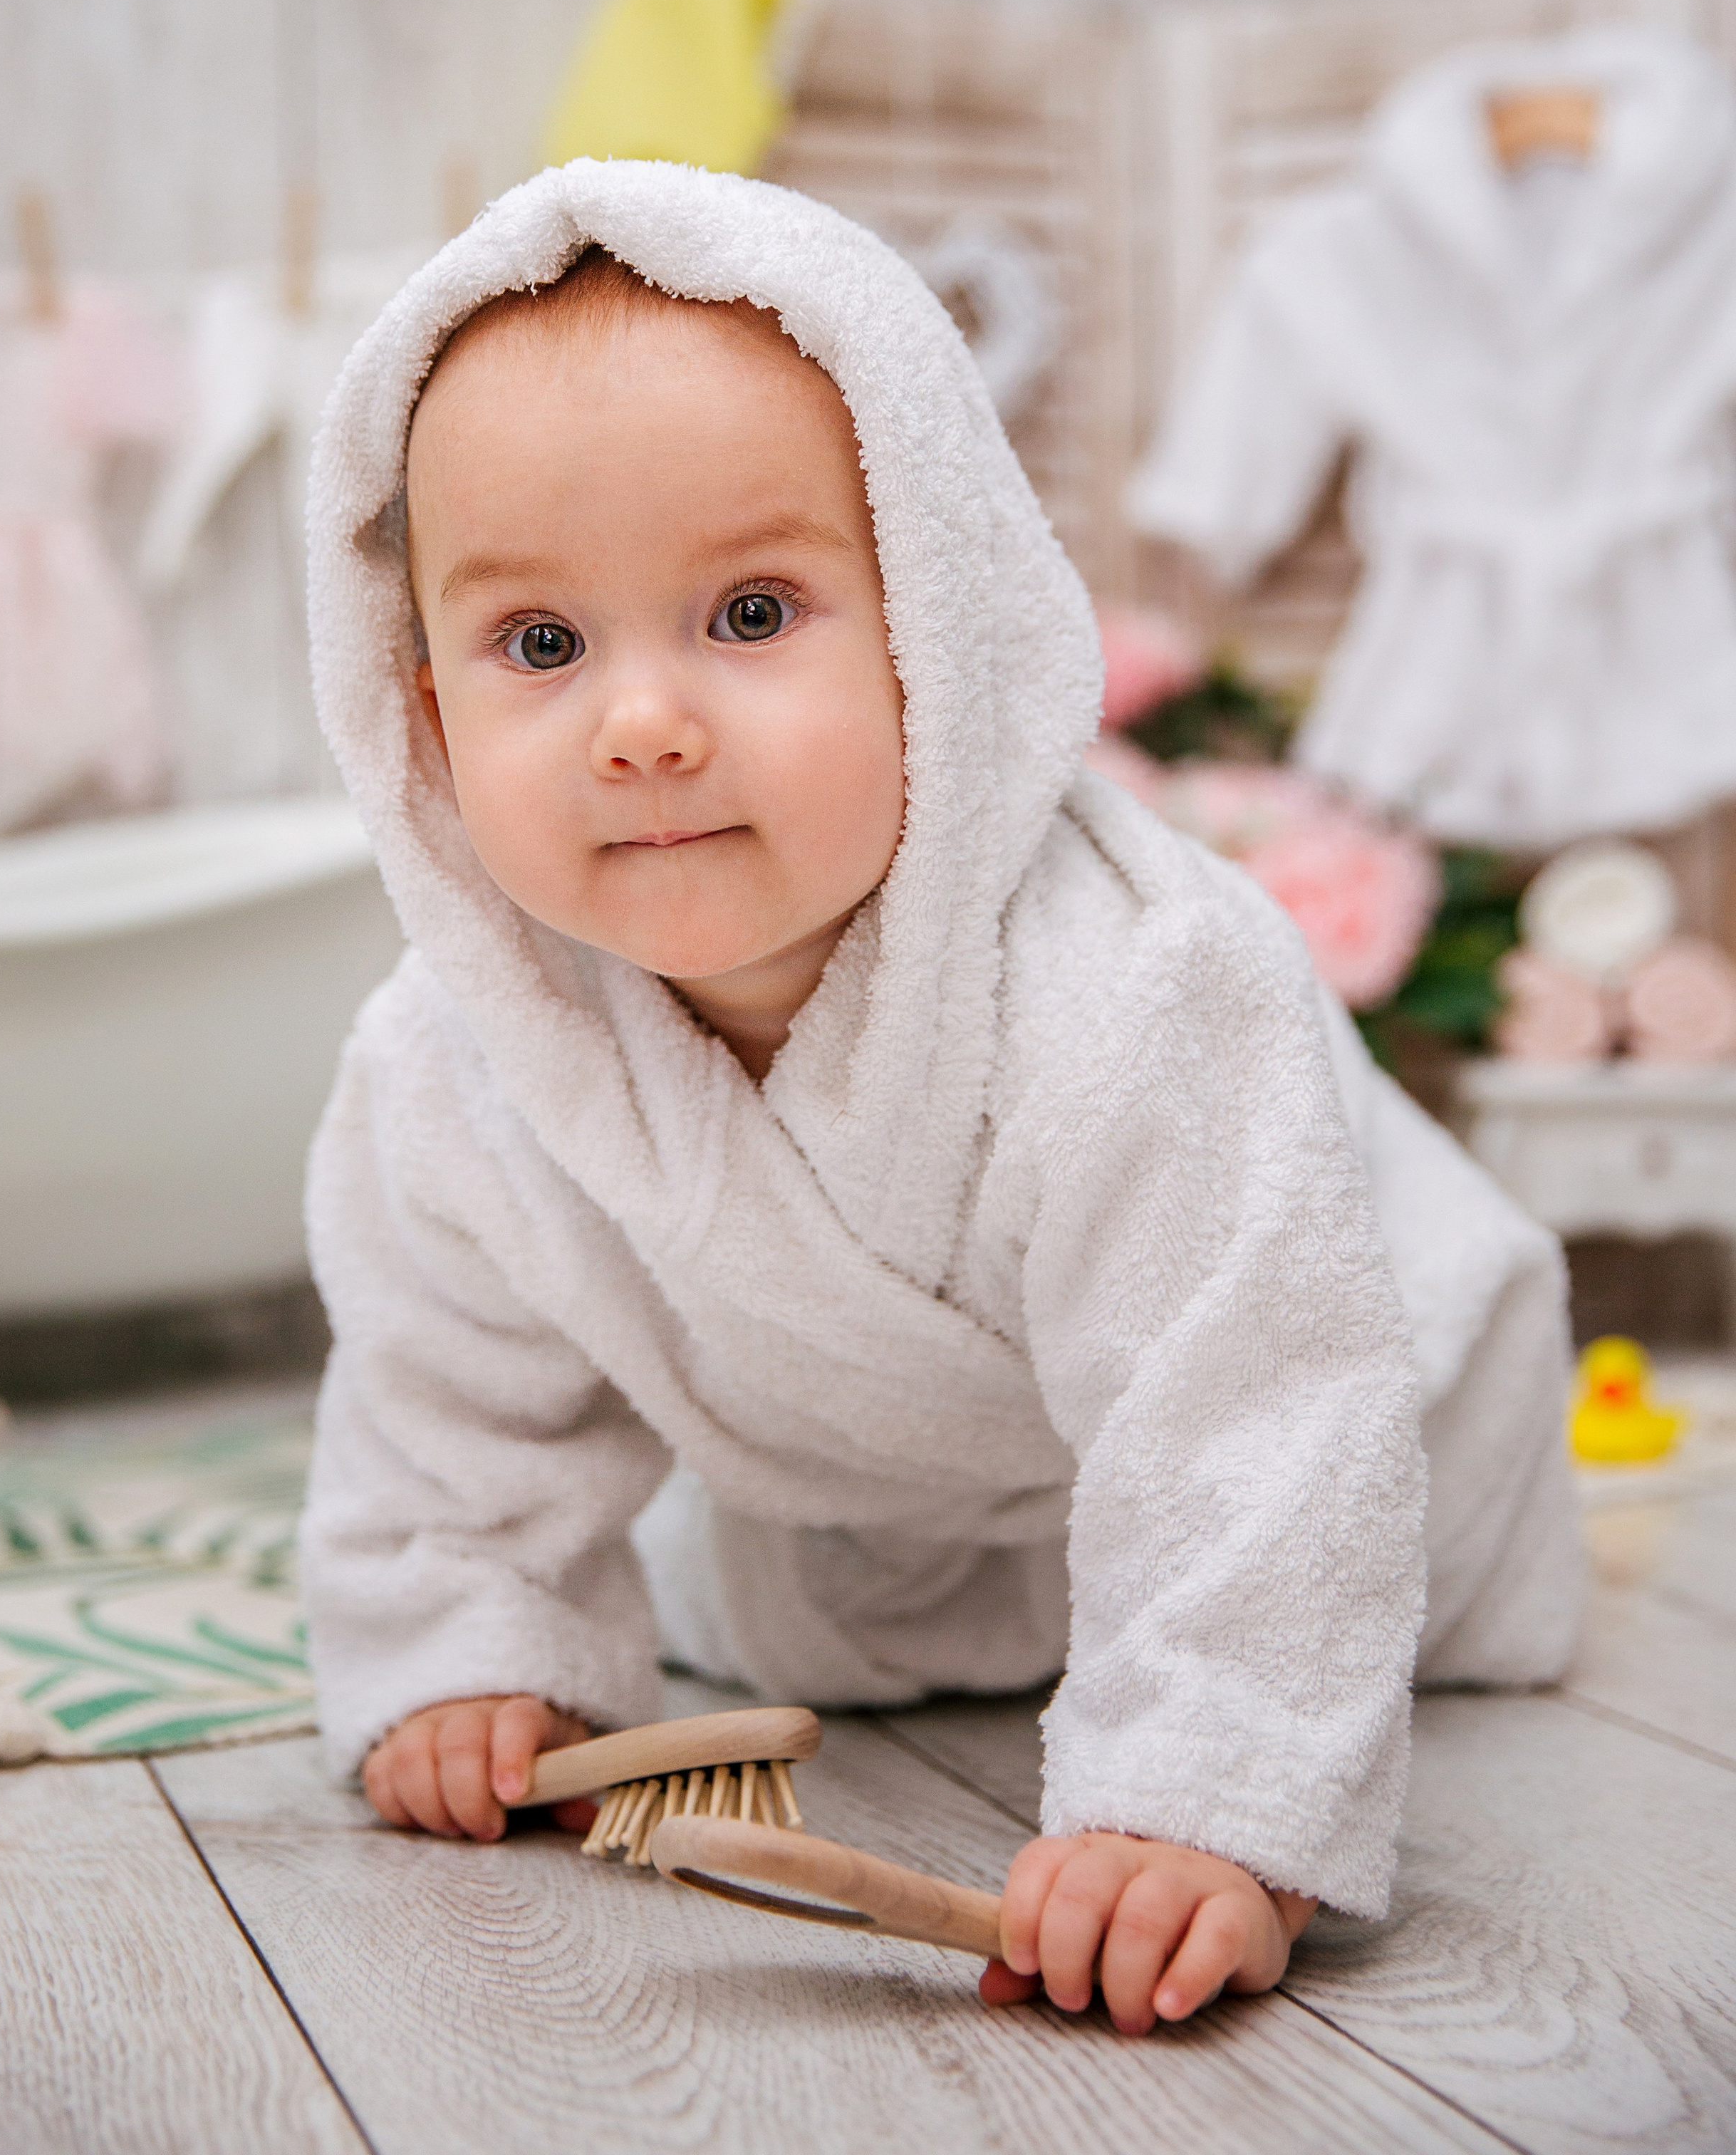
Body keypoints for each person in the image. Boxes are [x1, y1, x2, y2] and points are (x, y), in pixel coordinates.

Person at [298, 161, 1583, 2036]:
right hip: (884, 1535)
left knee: (1280, 1528)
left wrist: (1202, 1798)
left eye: (750, 613)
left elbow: (1253, 1409)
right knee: (689, 1586)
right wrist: (467, 1648)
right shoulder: (456, 1058)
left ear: (942, 629)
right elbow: (449, 1404)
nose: (639, 724)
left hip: (1355, 1452)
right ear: (423, 726)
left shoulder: (1144, 983)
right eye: (542, 646)